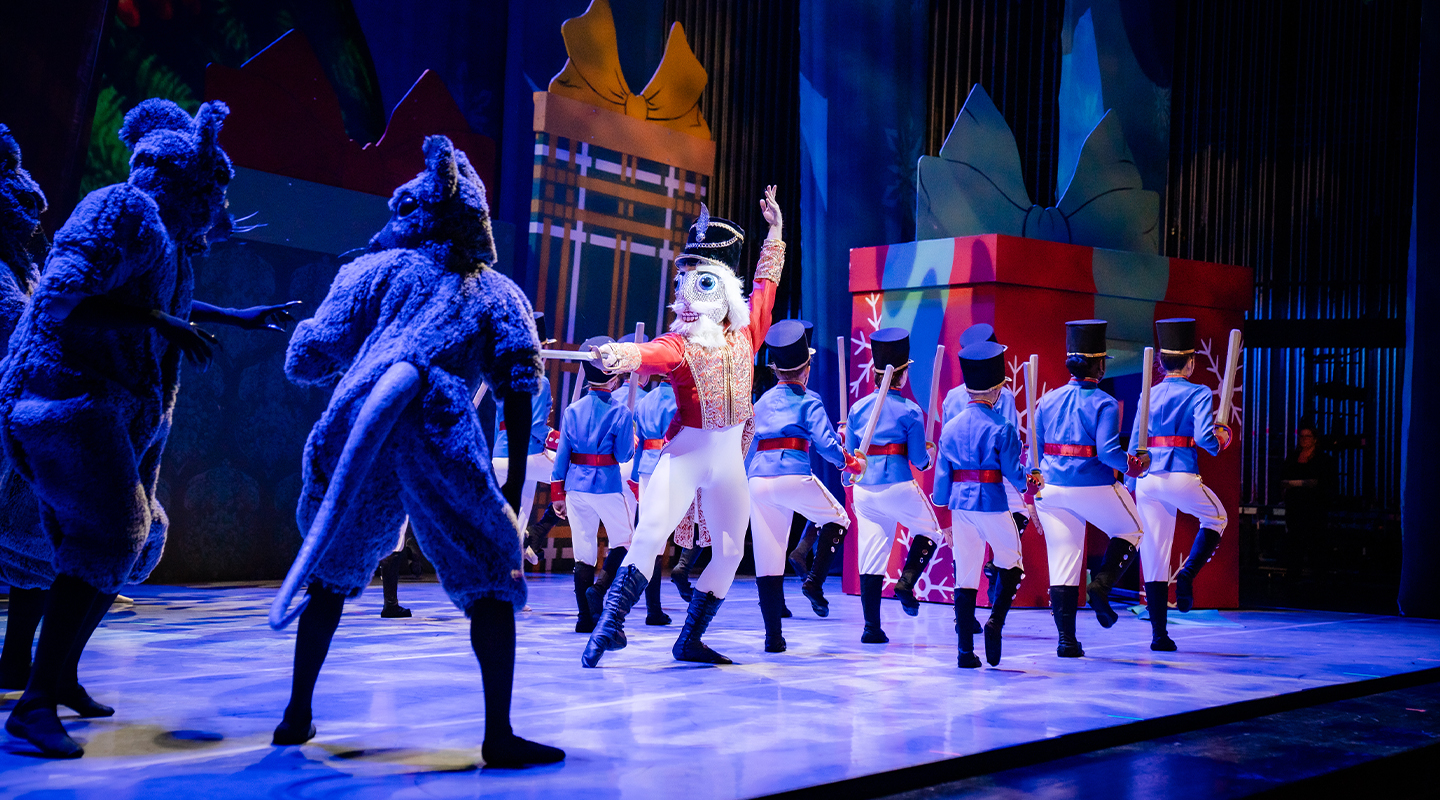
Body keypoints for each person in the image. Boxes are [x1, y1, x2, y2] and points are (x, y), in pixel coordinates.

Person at [0, 100, 298, 758]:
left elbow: (161, 300)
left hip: (117, 409)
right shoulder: (122, 208)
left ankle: (60, 675)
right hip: (64, 396)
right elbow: (60, 298)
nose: (218, 209)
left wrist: (238, 317)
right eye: (213, 193)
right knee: (108, 535)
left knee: (139, 539)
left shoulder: (167, 240)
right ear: (186, 181)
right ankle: (33, 705)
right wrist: (158, 325)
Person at [271, 135, 562, 767]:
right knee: (490, 573)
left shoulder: (373, 272)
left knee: (330, 571)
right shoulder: (498, 292)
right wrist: (511, 492)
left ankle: (296, 714)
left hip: (359, 415)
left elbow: (309, 356)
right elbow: (519, 384)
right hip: (440, 424)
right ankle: (498, 733)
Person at [582, 188, 786, 667]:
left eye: (703, 283)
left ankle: (689, 638)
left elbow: (766, 286)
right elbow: (649, 353)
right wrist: (618, 355)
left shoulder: (747, 335)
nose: (687, 298)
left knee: (730, 552)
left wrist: (775, 231)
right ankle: (609, 626)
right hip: (686, 456)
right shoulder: (680, 344)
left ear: (724, 291)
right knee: (650, 533)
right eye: (683, 285)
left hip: (728, 466)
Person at [1032, 320, 1148, 658]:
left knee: (1064, 560)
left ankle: (1066, 641)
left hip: (1050, 489)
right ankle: (1101, 585)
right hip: (1093, 485)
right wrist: (1133, 465)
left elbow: (1033, 453)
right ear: (1100, 365)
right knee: (1132, 530)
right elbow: (1108, 453)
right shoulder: (1105, 403)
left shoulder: (1046, 401)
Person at [746, 320, 861, 650]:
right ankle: (813, 582)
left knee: (768, 560)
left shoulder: (761, 402)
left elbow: (747, 444)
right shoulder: (809, 399)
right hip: (793, 474)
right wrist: (849, 461)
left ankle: (773, 638)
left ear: (775, 370)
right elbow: (825, 444)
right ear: (806, 370)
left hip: (758, 478)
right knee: (838, 519)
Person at [932, 341, 1037, 667]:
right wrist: (1031, 482)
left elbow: (940, 484)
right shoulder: (1003, 428)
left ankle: (965, 652)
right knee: (1012, 564)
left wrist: (943, 518)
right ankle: (995, 621)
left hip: (960, 509)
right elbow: (1015, 475)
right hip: (992, 503)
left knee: (965, 576)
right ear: (997, 390)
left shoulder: (949, 428)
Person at [1131, 318, 1232, 651]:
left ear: (1161, 362)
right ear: (1190, 362)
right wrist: (1221, 438)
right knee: (1216, 517)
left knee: (1154, 556)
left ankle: (1159, 635)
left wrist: (1132, 481)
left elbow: (1134, 443)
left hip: (1148, 478)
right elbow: (1204, 438)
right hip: (1180, 473)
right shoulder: (1198, 391)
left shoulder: (1149, 392)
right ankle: (1187, 574)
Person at [845, 327, 942, 644]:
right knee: (931, 531)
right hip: (897, 485)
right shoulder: (911, 411)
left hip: (864, 489)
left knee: (871, 556)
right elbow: (918, 460)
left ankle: (871, 628)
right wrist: (929, 455)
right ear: (903, 374)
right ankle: (907, 582)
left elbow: (850, 457)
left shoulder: (857, 409)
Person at [550, 335, 637, 633]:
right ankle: (599, 589)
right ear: (613, 377)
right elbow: (623, 455)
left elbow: (562, 455)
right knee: (625, 541)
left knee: (583, 550)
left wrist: (557, 493)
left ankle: (584, 618)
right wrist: (631, 438)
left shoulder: (571, 410)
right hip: (606, 485)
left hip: (575, 487)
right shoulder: (621, 412)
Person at [941, 323, 1032, 607]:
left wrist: (943, 504)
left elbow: (946, 444)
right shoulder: (1003, 395)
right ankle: (996, 575)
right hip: (995, 476)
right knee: (1019, 518)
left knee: (965, 553)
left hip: (959, 483)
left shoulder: (952, 397)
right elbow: (1009, 441)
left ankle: (965, 614)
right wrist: (1027, 485)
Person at [492, 312, 557, 564]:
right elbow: (536, 425)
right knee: (572, 476)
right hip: (526, 454)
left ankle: (514, 560)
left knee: (512, 519)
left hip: (500, 455)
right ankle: (537, 534)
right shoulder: (540, 380)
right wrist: (559, 440)